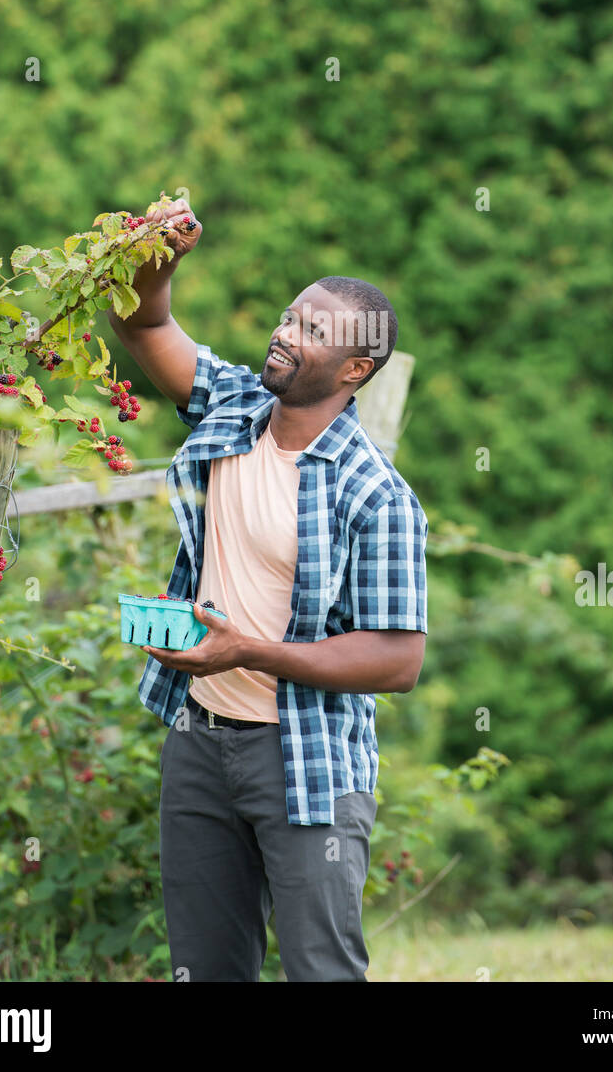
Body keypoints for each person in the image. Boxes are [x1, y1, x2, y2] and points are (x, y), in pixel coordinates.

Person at [108, 197, 428, 982]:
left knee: (319, 969)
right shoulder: (235, 410)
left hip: (305, 759)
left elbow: (395, 661)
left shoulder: (375, 494)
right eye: (290, 317)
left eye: (314, 331)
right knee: (206, 968)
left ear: (355, 369)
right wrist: (159, 261)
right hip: (199, 742)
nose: (287, 332)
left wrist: (244, 651)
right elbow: (144, 327)